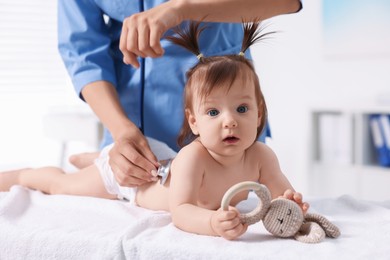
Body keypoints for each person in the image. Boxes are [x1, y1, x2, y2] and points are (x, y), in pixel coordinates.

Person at [0, 21, 308, 240]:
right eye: (213, 112)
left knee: (156, 157)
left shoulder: (261, 155)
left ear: (259, 116)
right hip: (133, 181)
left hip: (160, 158)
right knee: (64, 186)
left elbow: (280, 192)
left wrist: (292, 202)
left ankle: (94, 156)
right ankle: (26, 174)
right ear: (194, 123)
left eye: (242, 109)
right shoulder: (193, 158)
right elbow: (183, 211)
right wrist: (212, 222)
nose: (230, 121)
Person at [57, 0, 303, 188]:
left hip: (223, 123)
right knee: (72, 185)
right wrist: (121, 130)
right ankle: (36, 173)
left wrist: (182, 8)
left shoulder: (259, 158)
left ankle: (93, 160)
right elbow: (83, 53)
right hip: (131, 127)